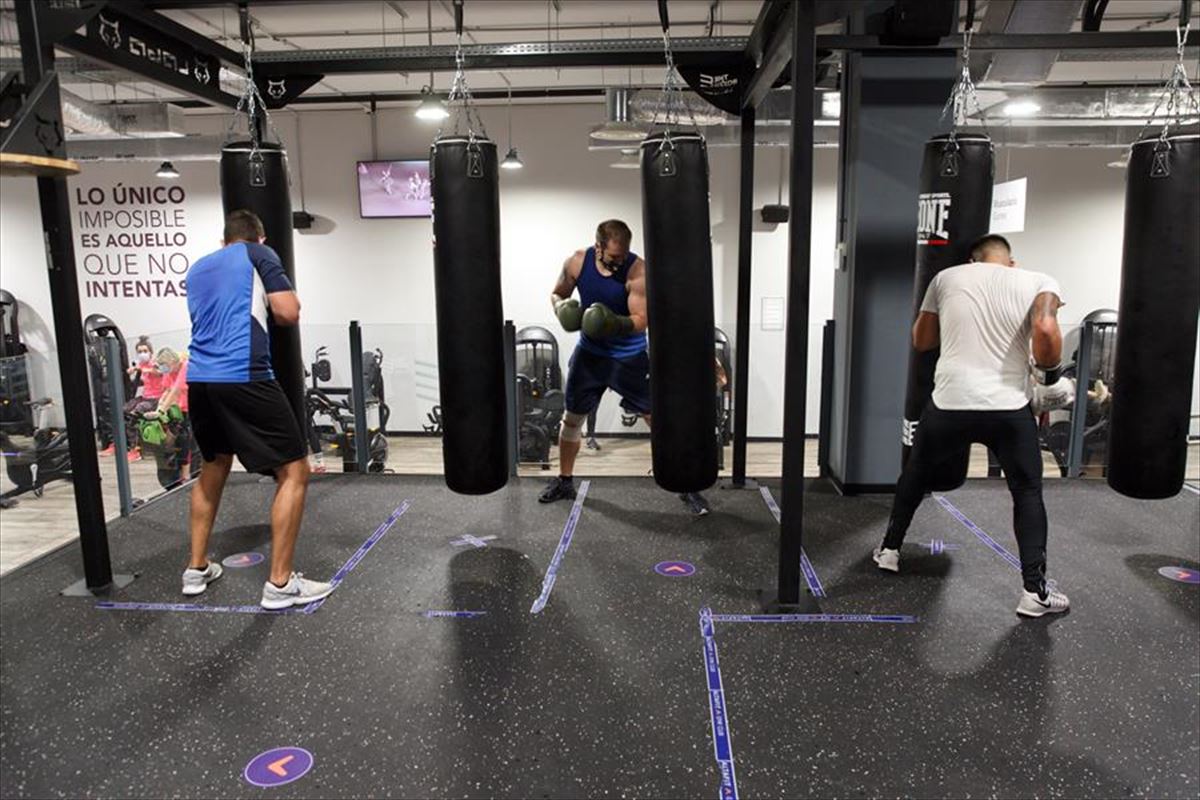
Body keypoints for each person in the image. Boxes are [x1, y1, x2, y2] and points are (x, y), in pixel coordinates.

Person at [873, 234, 1070, 618]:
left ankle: (890, 551)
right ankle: (1034, 592)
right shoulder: (1038, 280)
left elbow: (921, 340)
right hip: (1008, 408)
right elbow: (1045, 330)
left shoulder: (946, 278)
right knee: (1027, 492)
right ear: (1011, 262)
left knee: (915, 473)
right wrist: (1051, 377)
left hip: (950, 403)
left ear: (972, 259)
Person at [181, 209, 334, 609]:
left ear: (222, 241)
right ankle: (281, 585)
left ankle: (196, 568)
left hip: (200, 380)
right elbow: (287, 311)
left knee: (213, 466)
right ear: (260, 239)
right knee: (294, 470)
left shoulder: (197, 269)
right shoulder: (258, 254)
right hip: (244, 375)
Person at [539, 219, 711, 516]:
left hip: (629, 358)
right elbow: (558, 292)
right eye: (614, 256)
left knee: (656, 419)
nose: (620, 261)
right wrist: (560, 308)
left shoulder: (638, 271)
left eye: (624, 255)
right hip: (590, 356)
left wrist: (612, 323)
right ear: (598, 247)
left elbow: (642, 319)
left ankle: (686, 485)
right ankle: (565, 481)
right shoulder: (577, 262)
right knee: (572, 420)